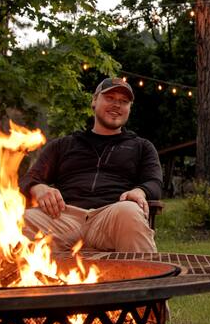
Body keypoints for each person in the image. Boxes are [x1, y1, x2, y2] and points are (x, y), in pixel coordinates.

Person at [20, 77, 161, 253]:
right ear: (94, 100)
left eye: (124, 101)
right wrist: (37, 187)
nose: (117, 105)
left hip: (112, 216)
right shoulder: (63, 145)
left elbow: (154, 183)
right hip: (61, 217)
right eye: (109, 98)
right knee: (19, 221)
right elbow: (28, 179)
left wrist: (140, 191)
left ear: (129, 108)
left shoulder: (141, 147)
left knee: (129, 211)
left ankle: (143, 272)